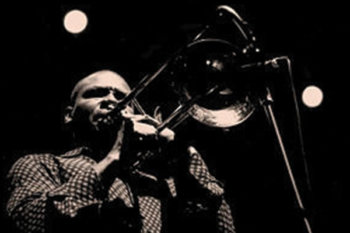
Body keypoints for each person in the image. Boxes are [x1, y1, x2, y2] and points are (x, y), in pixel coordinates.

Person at [6, 70, 235, 233]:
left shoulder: (163, 183)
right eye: (97, 93)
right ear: (69, 114)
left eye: (122, 97)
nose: (112, 101)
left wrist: (182, 157)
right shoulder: (40, 164)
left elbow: (222, 226)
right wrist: (115, 156)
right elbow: (31, 221)